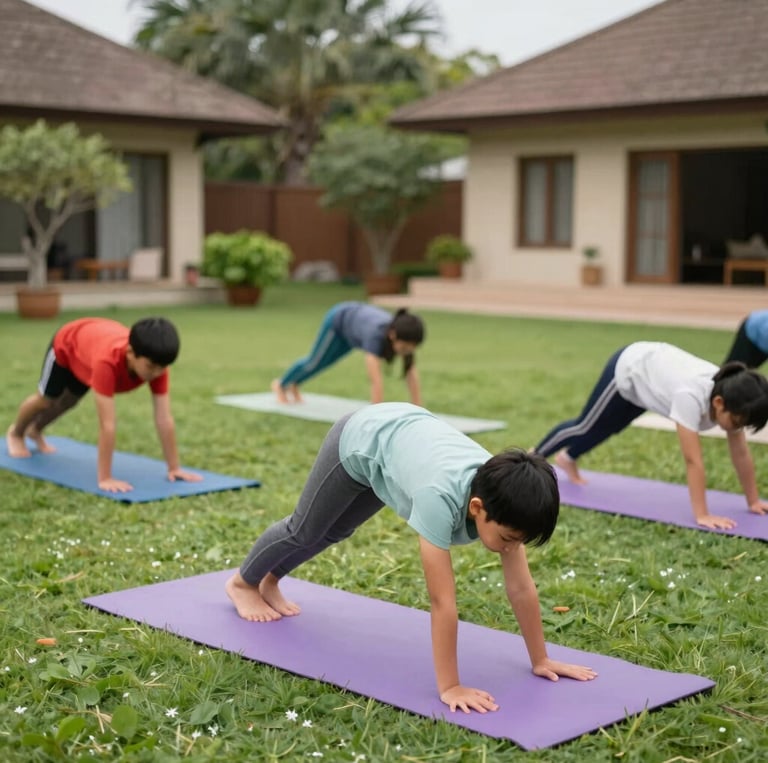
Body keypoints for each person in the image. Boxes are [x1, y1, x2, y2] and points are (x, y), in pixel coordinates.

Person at [226, 403, 597, 714]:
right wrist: (450, 686)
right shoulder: (440, 499)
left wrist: (541, 659)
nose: (509, 547)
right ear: (476, 507)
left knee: (337, 531)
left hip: (398, 446)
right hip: (361, 440)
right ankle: (243, 583)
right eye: (507, 539)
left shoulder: (506, 501)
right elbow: (442, 601)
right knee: (304, 529)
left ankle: (270, 579)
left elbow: (520, 588)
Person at [533, 341, 768, 530]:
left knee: (610, 428)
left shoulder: (733, 401)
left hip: (650, 382)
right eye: (738, 422)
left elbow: (741, 452)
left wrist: (753, 500)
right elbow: (692, 460)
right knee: (585, 425)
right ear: (718, 403)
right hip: (630, 367)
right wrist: (702, 514)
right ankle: (532, 458)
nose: (738, 428)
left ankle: (568, 458)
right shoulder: (691, 397)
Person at [6, 316, 202, 494]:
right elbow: (107, 425)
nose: (157, 373)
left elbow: (164, 418)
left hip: (87, 351)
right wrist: (105, 478)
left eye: (163, 367)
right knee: (47, 400)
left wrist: (174, 467)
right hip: (66, 346)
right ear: (130, 353)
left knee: (69, 402)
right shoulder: (107, 363)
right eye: (151, 367)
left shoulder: (157, 366)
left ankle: (35, 431)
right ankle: (16, 433)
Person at [271, 301, 425, 405]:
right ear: (392, 335)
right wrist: (376, 415)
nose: (407, 351)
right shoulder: (375, 335)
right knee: (315, 361)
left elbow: (411, 374)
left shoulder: (403, 337)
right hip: (338, 322)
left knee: (324, 364)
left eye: (411, 348)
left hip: (353, 334)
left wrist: (419, 410)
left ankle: (294, 384)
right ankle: (281, 384)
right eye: (405, 347)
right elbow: (375, 380)